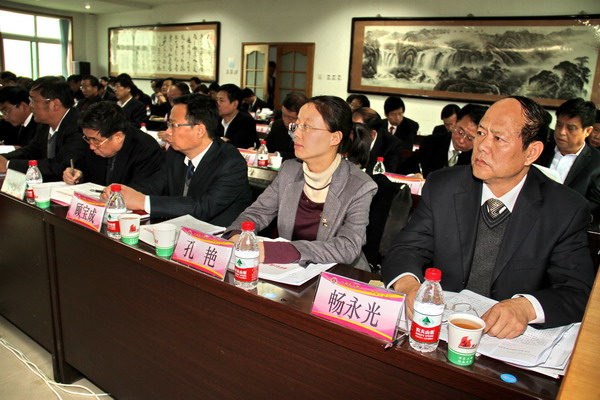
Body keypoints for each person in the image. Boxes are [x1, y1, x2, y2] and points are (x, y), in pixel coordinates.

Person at [382, 96, 594, 338]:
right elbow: (405, 249)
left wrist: (526, 308)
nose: (482, 145)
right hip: (439, 328)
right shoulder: (443, 186)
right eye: (481, 133)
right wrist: (409, 286)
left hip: (509, 340)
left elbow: (577, 291)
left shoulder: (564, 209)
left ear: (531, 152)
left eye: (498, 138)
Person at [224, 96, 378, 271]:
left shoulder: (359, 186)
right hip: (292, 272)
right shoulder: (289, 170)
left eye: (306, 127)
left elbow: (347, 247)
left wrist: (283, 251)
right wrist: (238, 234)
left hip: (340, 274)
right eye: (296, 125)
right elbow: (257, 213)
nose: (296, 133)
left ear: (334, 138)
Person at [101, 94, 252, 226]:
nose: (167, 132)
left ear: (199, 130)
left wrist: (143, 201)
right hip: (179, 228)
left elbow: (203, 207)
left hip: (218, 238)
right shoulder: (175, 153)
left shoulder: (231, 163)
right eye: (168, 125)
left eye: (173, 125)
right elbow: (156, 183)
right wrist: (122, 193)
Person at [0, 76, 86, 180]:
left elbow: (59, 166)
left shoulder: (79, 127)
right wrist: (4, 158)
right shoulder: (44, 124)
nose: (30, 105)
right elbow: (31, 150)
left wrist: (8, 164)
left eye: (33, 100)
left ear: (55, 104)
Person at [63, 101, 163, 187]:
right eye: (88, 139)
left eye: (96, 141)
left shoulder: (146, 149)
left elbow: (142, 190)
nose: (91, 146)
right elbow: (84, 168)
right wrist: (78, 174)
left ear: (118, 137)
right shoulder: (93, 139)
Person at [535, 98, 600, 226]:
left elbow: (596, 206)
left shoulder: (597, 162)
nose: (561, 132)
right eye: (559, 125)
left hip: (569, 228)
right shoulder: (539, 150)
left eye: (571, 128)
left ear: (588, 131)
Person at [400, 104, 487, 178]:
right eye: (460, 132)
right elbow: (406, 168)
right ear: (455, 123)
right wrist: (413, 176)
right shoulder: (431, 143)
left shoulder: (480, 158)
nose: (461, 140)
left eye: (470, 138)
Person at [352, 107, 403, 174]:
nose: (352, 131)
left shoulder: (392, 144)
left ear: (372, 134)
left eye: (357, 129)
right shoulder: (346, 137)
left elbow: (388, 173)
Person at [265, 92, 307, 160]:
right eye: (284, 115)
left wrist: (277, 155)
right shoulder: (278, 125)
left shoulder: (308, 132)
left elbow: (301, 157)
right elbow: (267, 145)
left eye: (292, 118)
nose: (286, 121)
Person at [216, 84, 258, 148]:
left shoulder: (246, 121)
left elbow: (240, 146)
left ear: (235, 104)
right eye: (217, 100)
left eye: (221, 100)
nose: (217, 103)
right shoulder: (216, 119)